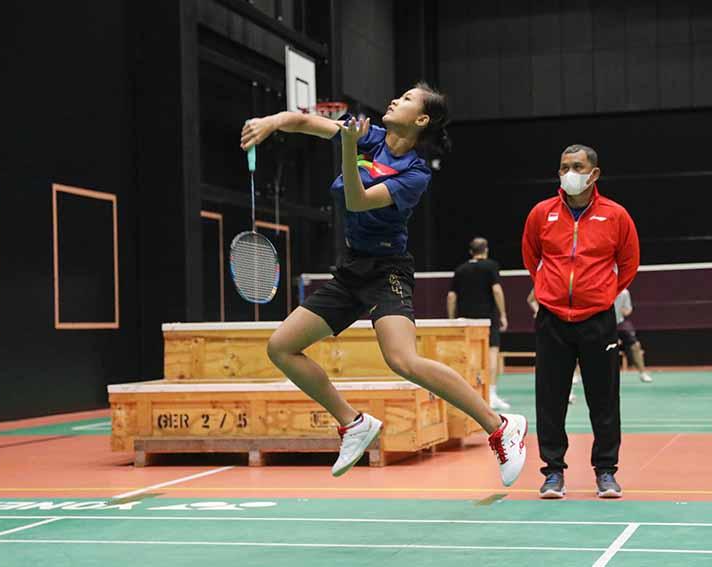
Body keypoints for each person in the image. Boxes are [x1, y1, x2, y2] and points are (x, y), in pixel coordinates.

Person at [242, 84, 527, 486]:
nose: (395, 100)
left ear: (421, 120)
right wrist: (269, 123)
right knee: (282, 347)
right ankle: (353, 423)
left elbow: (356, 201)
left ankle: (500, 427)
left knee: (403, 360)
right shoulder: (369, 136)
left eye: (408, 99)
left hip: (387, 270)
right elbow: (305, 121)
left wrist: (346, 145)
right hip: (350, 270)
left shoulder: (415, 174)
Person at [521, 143, 640, 499]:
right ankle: (553, 473)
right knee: (550, 399)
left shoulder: (616, 215)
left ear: (594, 173)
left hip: (598, 320)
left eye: (576, 166)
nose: (569, 173)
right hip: (552, 319)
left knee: (603, 399)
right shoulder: (541, 214)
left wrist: (601, 294)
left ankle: (606, 471)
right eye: (563, 167)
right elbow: (531, 257)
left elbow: (629, 264)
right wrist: (551, 292)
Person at [447, 237, 510, 410]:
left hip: (466, 321)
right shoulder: (491, 266)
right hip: (487, 319)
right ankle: (491, 394)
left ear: (470, 251)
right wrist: (503, 314)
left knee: (468, 357)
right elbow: (496, 290)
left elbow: (452, 296)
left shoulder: (460, 270)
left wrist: (452, 320)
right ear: (486, 250)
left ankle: (469, 397)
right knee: (491, 355)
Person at [526, 287, 575, 404]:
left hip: (569, 324)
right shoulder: (544, 282)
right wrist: (538, 311)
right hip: (551, 326)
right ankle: (562, 394)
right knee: (555, 363)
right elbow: (530, 299)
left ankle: (569, 391)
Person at [615, 288, 653, 383]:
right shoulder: (602, 289)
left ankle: (643, 373)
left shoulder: (624, 292)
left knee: (635, 345)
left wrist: (625, 310)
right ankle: (577, 374)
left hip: (620, 323)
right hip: (603, 324)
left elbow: (628, 309)